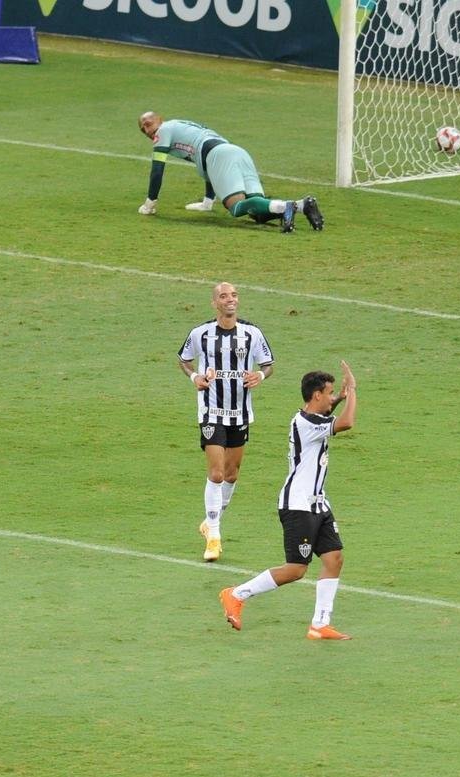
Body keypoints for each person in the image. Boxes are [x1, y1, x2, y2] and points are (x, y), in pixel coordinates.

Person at [220, 361, 358, 640]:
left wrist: (340, 397)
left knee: (334, 558)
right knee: (296, 569)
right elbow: (346, 422)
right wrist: (352, 390)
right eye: (329, 392)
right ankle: (235, 594)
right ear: (316, 395)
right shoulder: (306, 423)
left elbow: (330, 412)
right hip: (298, 505)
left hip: (318, 504)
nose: (332, 397)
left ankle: (319, 624)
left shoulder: (312, 418)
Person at [178, 282, 274, 561]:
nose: (230, 300)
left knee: (231, 475)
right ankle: (214, 537)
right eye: (223, 296)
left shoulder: (252, 334)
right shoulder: (201, 334)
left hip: (240, 413)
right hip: (211, 411)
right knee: (217, 474)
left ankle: (210, 521)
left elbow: (268, 363)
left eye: (233, 295)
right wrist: (194, 377)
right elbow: (184, 360)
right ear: (214, 303)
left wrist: (261, 376)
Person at [137, 111, 325, 234]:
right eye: (143, 127)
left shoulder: (164, 131)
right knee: (257, 213)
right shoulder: (185, 128)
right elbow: (206, 161)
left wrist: (150, 203)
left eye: (148, 123)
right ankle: (302, 205)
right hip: (237, 153)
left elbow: (157, 170)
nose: (147, 129)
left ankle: (288, 206)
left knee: (235, 207)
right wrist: (207, 202)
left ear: (160, 120)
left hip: (219, 156)